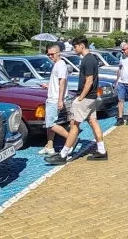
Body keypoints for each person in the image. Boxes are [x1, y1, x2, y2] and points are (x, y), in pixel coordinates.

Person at [45, 36, 108, 164]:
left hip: (86, 98)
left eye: (75, 46)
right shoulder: (91, 59)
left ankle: (63, 154)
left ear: (82, 46)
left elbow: (89, 81)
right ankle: (101, 150)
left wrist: (80, 97)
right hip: (92, 97)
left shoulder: (87, 60)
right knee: (93, 121)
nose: (74, 49)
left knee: (74, 125)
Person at [39, 45, 70, 155]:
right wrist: (49, 86)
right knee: (49, 124)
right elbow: (58, 83)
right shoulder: (57, 65)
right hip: (52, 97)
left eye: (52, 54)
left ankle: (71, 139)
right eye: (49, 54)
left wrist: (60, 100)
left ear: (58, 53)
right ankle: (50, 146)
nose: (50, 56)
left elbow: (62, 83)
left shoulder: (61, 65)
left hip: (55, 99)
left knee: (51, 124)